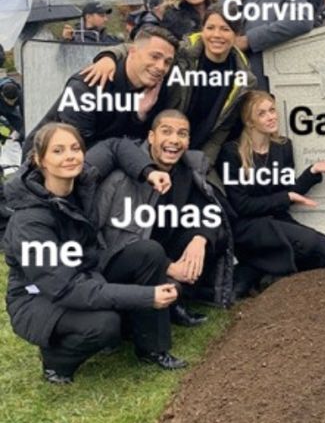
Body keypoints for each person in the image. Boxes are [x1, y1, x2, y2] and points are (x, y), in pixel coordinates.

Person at [3, 123, 186, 384]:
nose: (69, 156)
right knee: (105, 324)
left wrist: (148, 171)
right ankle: (56, 361)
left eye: (75, 148)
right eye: (57, 151)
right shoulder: (29, 222)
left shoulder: (81, 175)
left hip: (86, 270)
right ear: (39, 160)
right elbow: (66, 288)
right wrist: (146, 296)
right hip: (39, 296)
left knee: (148, 252)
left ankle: (152, 348)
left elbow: (115, 146)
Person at [97, 110, 233, 317]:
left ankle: (177, 297)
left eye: (182, 134)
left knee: (215, 234)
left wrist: (200, 239)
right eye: (166, 132)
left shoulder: (188, 170)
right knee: (148, 252)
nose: (174, 140)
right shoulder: (121, 178)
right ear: (151, 137)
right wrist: (169, 267)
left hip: (165, 245)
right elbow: (115, 240)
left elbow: (207, 209)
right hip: (126, 259)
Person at [81, 6, 256, 166]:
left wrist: (204, 162)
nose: (216, 35)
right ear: (203, 30)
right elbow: (139, 48)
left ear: (236, 34)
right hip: (155, 141)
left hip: (194, 151)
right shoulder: (183, 51)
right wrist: (109, 56)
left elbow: (221, 131)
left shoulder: (243, 79)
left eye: (225, 29)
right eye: (210, 28)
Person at [217, 91, 325, 298]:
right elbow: (241, 205)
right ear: (249, 121)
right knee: (309, 242)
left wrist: (312, 172)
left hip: (278, 219)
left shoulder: (282, 147)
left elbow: (288, 192)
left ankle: (264, 273)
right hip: (249, 226)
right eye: (262, 113)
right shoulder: (232, 153)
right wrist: (286, 198)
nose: (271, 116)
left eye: (272, 110)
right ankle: (263, 271)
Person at [24, 26, 178, 156]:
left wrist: (140, 117)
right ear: (131, 52)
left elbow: (141, 143)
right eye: (154, 56)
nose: (160, 67)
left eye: (167, 62)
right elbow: (78, 150)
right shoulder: (87, 86)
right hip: (45, 165)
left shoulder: (156, 90)